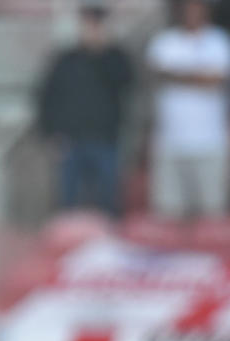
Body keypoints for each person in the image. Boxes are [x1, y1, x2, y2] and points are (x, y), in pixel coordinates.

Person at [37, 0, 133, 217]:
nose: (91, 29)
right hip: (70, 142)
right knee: (68, 208)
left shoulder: (116, 57)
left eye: (96, 23)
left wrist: (101, 52)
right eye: (87, 23)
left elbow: (126, 84)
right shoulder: (65, 60)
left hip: (105, 140)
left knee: (108, 205)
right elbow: (47, 98)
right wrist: (50, 134)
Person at [146, 0, 230, 218]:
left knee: (211, 212)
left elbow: (215, 80)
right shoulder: (165, 42)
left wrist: (176, 75)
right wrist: (198, 74)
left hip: (209, 142)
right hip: (171, 142)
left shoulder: (218, 41)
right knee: (168, 213)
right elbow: (156, 74)